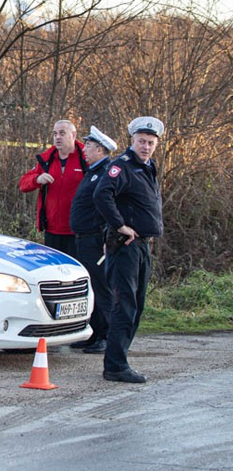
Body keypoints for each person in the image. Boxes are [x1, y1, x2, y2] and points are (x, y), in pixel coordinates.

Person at [94, 116, 164, 383]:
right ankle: (115, 366)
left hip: (142, 246)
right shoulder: (121, 166)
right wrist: (119, 225)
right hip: (125, 246)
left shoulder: (149, 167)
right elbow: (102, 195)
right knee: (124, 305)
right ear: (132, 141)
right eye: (141, 142)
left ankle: (119, 358)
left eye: (150, 143)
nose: (145, 147)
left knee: (137, 304)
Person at [68, 126, 117, 354]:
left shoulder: (105, 172)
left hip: (95, 239)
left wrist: (107, 237)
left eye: (88, 146)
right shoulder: (93, 171)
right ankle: (93, 333)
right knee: (91, 287)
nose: (84, 149)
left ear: (100, 149)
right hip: (84, 238)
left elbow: (107, 206)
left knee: (100, 287)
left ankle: (104, 335)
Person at [19, 120, 87, 258]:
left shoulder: (85, 158)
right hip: (52, 230)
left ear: (73, 135)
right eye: (55, 134)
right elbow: (23, 184)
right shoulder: (47, 160)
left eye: (62, 133)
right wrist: (37, 179)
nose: (57, 137)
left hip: (78, 231)